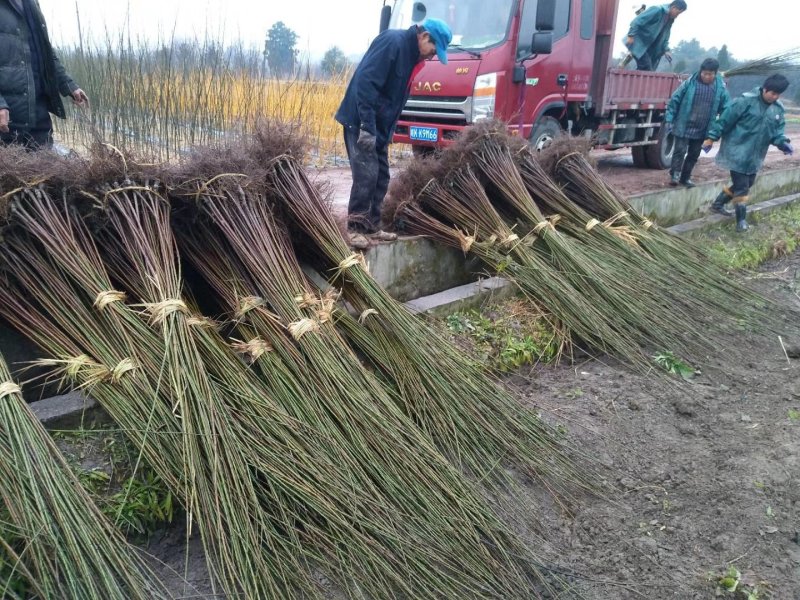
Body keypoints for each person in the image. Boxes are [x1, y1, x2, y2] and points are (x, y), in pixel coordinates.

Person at [335, 18, 452, 249]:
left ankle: (372, 226)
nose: (431, 56)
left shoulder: (411, 56)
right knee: (367, 175)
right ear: (425, 36)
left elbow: (393, 100)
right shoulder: (393, 43)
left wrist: (385, 133)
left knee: (381, 176)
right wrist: (367, 127)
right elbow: (366, 84)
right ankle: (355, 228)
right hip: (361, 122)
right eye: (433, 49)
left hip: (377, 127)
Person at [704, 74, 793, 232]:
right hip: (737, 150)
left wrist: (782, 143)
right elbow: (725, 120)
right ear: (765, 89)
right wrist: (711, 138)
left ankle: (717, 204)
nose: (774, 97)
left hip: (755, 155)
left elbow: (776, 132)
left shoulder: (777, 109)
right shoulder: (745, 101)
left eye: (778, 94)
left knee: (747, 183)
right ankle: (741, 222)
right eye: (772, 93)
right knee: (742, 187)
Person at [0, 0, 88, 150]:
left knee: (44, 170)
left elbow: (46, 53)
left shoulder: (32, 5)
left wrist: (68, 85)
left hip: (38, 115)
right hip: (7, 120)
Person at [664, 57, 730, 187]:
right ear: (701, 71)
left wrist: (720, 126)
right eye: (704, 73)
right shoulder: (689, 83)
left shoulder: (720, 88)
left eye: (710, 74)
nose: (706, 76)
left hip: (703, 127)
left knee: (694, 154)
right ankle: (675, 175)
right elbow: (675, 100)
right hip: (684, 124)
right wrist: (669, 119)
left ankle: (685, 177)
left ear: (715, 73)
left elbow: (726, 108)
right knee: (679, 151)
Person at [624, 1, 687, 72]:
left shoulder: (670, 19)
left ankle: (628, 61)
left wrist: (666, 50)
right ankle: (630, 55)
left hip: (649, 48)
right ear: (673, 7)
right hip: (638, 42)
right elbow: (637, 21)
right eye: (678, 13)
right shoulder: (657, 10)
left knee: (649, 69)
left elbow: (665, 36)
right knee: (646, 67)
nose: (677, 16)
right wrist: (631, 35)